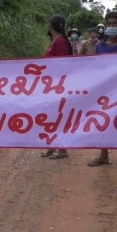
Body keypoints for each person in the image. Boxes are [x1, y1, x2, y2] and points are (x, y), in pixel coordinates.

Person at [87, 11, 117, 171]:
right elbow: (96, 66)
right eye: (109, 24)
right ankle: (103, 154)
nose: (111, 26)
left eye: (115, 24)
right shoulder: (100, 45)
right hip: (105, 89)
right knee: (103, 120)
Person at [42, 15, 72, 159]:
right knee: (51, 116)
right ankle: (52, 145)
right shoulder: (54, 41)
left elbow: (63, 65)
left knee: (58, 116)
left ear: (51, 25)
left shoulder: (60, 41)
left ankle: (62, 148)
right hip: (51, 85)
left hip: (58, 86)